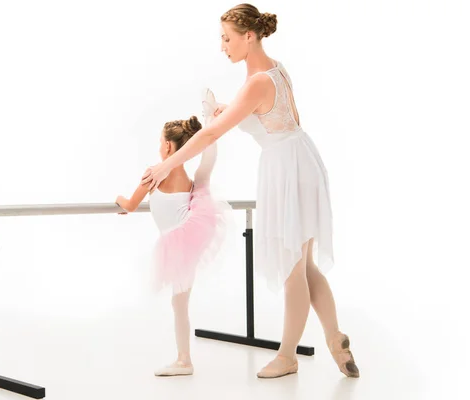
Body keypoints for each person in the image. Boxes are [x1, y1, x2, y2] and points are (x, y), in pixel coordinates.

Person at [141, 3, 359, 379]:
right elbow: (274, 119)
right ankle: (334, 335)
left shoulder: (257, 81)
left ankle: (287, 355)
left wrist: (167, 164)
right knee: (304, 264)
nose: (223, 46)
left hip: (286, 170)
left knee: (294, 268)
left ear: (249, 35)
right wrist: (227, 110)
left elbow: (211, 133)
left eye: (227, 38)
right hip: (300, 160)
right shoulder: (274, 69)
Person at [116, 89, 232, 376]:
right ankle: (184, 359)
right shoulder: (186, 177)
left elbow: (130, 205)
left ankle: (184, 360)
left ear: (168, 146)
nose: (159, 146)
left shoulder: (156, 172)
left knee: (179, 302)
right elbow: (205, 164)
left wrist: (119, 200)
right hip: (192, 239)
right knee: (179, 302)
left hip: (180, 244)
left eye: (160, 141)